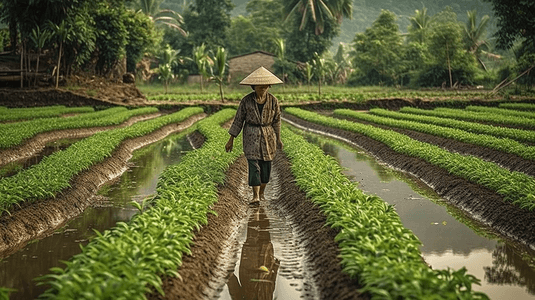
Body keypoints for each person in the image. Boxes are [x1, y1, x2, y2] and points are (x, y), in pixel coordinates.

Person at [225, 66, 283, 205]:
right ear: (253, 86)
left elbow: (277, 120)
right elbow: (238, 120)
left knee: (266, 167)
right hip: (251, 135)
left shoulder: (273, 101)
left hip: (268, 136)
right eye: (259, 86)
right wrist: (231, 139)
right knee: (253, 165)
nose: (262, 88)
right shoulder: (246, 101)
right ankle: (255, 195)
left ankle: (262, 193)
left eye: (265, 86)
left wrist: (279, 138)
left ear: (269, 86)